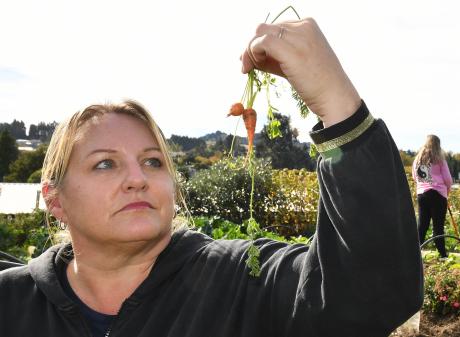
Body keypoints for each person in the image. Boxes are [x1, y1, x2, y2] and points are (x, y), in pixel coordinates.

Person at [0, 18, 423, 337]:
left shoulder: (241, 280)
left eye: (153, 162)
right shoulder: (13, 301)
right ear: (54, 199)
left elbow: (368, 293)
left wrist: (336, 100)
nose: (137, 179)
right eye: (105, 164)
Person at [412, 135, 453, 258]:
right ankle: (442, 254)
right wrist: (447, 191)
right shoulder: (439, 159)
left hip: (422, 195)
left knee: (422, 225)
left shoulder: (417, 160)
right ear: (437, 145)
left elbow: (415, 177)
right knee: (438, 226)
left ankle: (416, 254)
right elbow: (448, 180)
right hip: (438, 194)